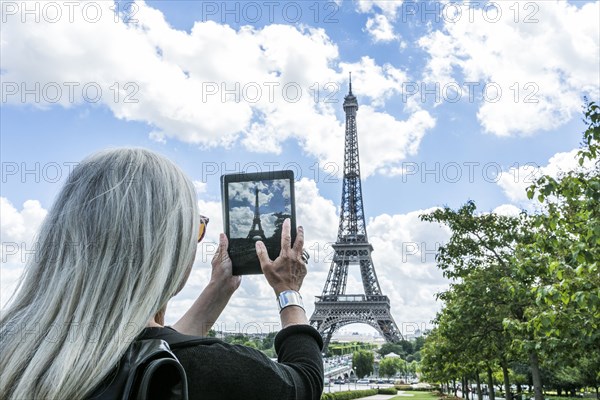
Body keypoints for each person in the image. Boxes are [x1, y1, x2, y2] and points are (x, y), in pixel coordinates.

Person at [0, 148, 324, 400]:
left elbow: (150, 348)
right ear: (166, 246)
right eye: (196, 227)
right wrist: (288, 291)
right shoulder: (213, 367)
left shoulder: (16, 351)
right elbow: (304, 382)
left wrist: (217, 290)